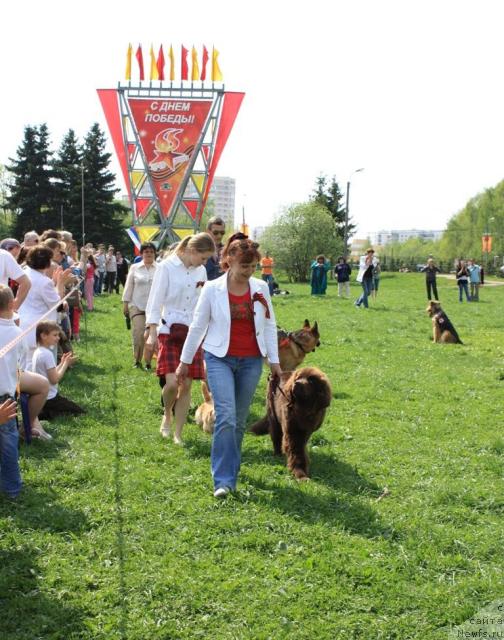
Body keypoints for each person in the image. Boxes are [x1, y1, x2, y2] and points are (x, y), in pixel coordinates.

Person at [176, 233, 282, 498]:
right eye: (243, 266)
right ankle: (223, 480)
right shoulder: (212, 289)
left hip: (251, 361)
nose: (248, 271)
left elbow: (269, 324)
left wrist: (275, 362)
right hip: (218, 357)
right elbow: (198, 325)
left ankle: (231, 467)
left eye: (252, 266)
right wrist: (184, 362)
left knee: (238, 420)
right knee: (225, 416)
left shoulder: (261, 288)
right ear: (228, 262)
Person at [145, 233, 215, 444]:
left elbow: (203, 303)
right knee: (173, 383)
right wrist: (152, 333)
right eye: (203, 258)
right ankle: (167, 414)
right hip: (168, 329)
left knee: (187, 386)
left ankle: (178, 433)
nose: (205, 263)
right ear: (192, 251)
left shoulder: (201, 271)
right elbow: (155, 301)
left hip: (193, 333)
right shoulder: (166, 267)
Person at [17, 245, 72, 370]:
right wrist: (61, 283)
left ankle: (24, 388)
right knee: (37, 364)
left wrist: (53, 282)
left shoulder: (25, 273)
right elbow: (57, 305)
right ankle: (41, 388)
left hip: (23, 324)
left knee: (24, 363)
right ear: (47, 263)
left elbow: (40, 293)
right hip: (39, 328)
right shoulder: (44, 281)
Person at [32, 321, 84, 421]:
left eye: (58, 335)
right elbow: (54, 379)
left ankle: (43, 411)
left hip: (44, 397)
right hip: (49, 398)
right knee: (79, 412)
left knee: (70, 408)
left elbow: (51, 373)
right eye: (55, 335)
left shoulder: (39, 351)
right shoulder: (47, 354)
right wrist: (66, 364)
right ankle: (44, 413)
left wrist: (62, 362)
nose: (58, 338)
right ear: (43, 336)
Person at [0, 285, 24, 497]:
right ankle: (12, 488)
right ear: (11, 304)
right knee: (8, 444)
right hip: (6, 399)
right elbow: (21, 362)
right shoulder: (17, 333)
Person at [122, 242, 157, 369]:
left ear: (155, 254)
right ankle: (137, 360)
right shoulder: (134, 268)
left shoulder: (160, 268)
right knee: (139, 333)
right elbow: (129, 285)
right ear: (141, 254)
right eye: (146, 252)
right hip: (137, 305)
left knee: (151, 335)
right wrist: (125, 303)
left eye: (151, 252)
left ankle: (148, 362)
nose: (149, 254)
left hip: (154, 307)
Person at [205, 216, 226, 280]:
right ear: (208, 231)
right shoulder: (199, 249)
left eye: (222, 233)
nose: (219, 236)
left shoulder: (227, 251)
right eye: (215, 233)